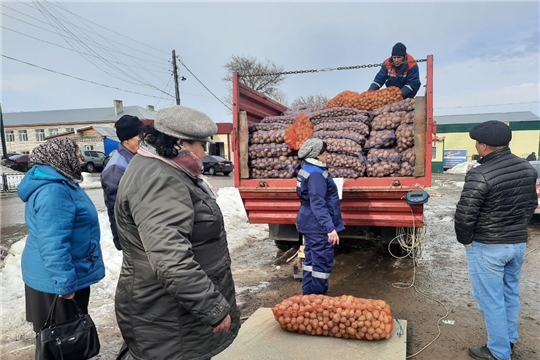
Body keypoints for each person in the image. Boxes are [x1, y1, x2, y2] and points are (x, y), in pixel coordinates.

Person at [114, 105, 240, 360]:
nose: (205, 153)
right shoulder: (159, 179)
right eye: (201, 145)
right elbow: (169, 257)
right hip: (168, 317)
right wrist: (211, 307)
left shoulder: (168, 169)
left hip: (175, 313)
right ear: (180, 143)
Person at [454, 121, 537, 360]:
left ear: (484, 146)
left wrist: (466, 242)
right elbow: (531, 204)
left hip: (489, 246)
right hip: (517, 244)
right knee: (510, 294)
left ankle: (498, 352)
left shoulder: (480, 173)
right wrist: (516, 228)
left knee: (491, 300)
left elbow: (465, 214)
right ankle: (508, 340)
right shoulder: (527, 168)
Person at [17, 138, 105, 349]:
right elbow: (53, 243)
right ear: (60, 157)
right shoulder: (54, 191)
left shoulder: (62, 183)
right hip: (56, 281)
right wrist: (64, 283)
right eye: (76, 154)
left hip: (59, 275)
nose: (81, 159)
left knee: (64, 339)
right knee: (63, 340)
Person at [296, 138, 345, 295]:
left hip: (308, 221)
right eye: (324, 153)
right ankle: (317, 302)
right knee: (321, 266)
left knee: (311, 262)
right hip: (317, 226)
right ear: (317, 155)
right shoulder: (316, 174)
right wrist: (330, 228)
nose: (326, 156)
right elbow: (318, 203)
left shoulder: (307, 169)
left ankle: (307, 297)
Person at [101, 114, 144, 250]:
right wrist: (121, 240)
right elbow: (115, 207)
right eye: (140, 138)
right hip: (132, 236)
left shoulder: (135, 158)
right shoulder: (117, 167)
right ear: (127, 141)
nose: (143, 141)